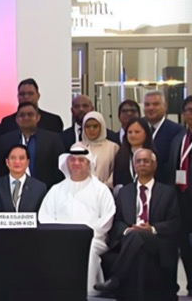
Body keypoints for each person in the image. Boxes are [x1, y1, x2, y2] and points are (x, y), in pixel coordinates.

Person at [96, 149, 180, 297]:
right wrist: (128, 230)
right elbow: (117, 223)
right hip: (129, 239)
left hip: (157, 240)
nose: (142, 164)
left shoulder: (167, 192)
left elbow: (174, 223)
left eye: (146, 161)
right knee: (136, 236)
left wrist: (152, 228)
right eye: (138, 161)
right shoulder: (124, 192)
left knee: (138, 235)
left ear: (154, 165)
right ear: (134, 165)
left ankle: (115, 279)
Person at [38, 145, 115, 296]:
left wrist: (84, 235)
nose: (76, 163)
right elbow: (45, 216)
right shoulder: (56, 189)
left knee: (89, 249)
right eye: (72, 160)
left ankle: (89, 293)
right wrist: (61, 235)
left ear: (88, 163)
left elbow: (107, 217)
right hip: (59, 238)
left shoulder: (101, 190)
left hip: (93, 238)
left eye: (81, 160)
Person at [0, 102, 64, 188]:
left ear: (38, 117)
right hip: (13, 190)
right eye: (22, 115)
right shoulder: (4, 141)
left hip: (45, 191)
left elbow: (59, 170)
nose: (26, 118)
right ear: (17, 119)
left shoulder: (53, 140)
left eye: (30, 115)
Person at [166, 95, 192, 295]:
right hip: (181, 199)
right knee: (184, 245)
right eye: (188, 110)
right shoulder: (179, 138)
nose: (191, 114)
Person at [0, 145, 47, 213]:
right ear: (7, 162)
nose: (17, 162)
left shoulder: (40, 188)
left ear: (27, 162)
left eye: (21, 158)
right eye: (13, 158)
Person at [0, 78, 64, 134]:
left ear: (38, 96)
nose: (26, 97)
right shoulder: (7, 123)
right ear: (17, 97)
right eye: (22, 94)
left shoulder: (53, 121)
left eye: (30, 93)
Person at [77, 111, 119, 187]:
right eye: (87, 126)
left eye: (95, 126)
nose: (91, 129)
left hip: (105, 190)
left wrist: (102, 188)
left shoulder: (112, 147)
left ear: (102, 127)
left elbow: (115, 173)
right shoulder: (77, 147)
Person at [144, 91, 184, 168]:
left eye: (156, 104)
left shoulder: (177, 131)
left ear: (165, 106)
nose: (150, 108)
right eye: (147, 104)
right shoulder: (138, 128)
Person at [113, 118, 153, 189]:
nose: (133, 135)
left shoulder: (153, 154)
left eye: (137, 132)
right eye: (130, 132)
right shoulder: (120, 155)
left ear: (146, 133)